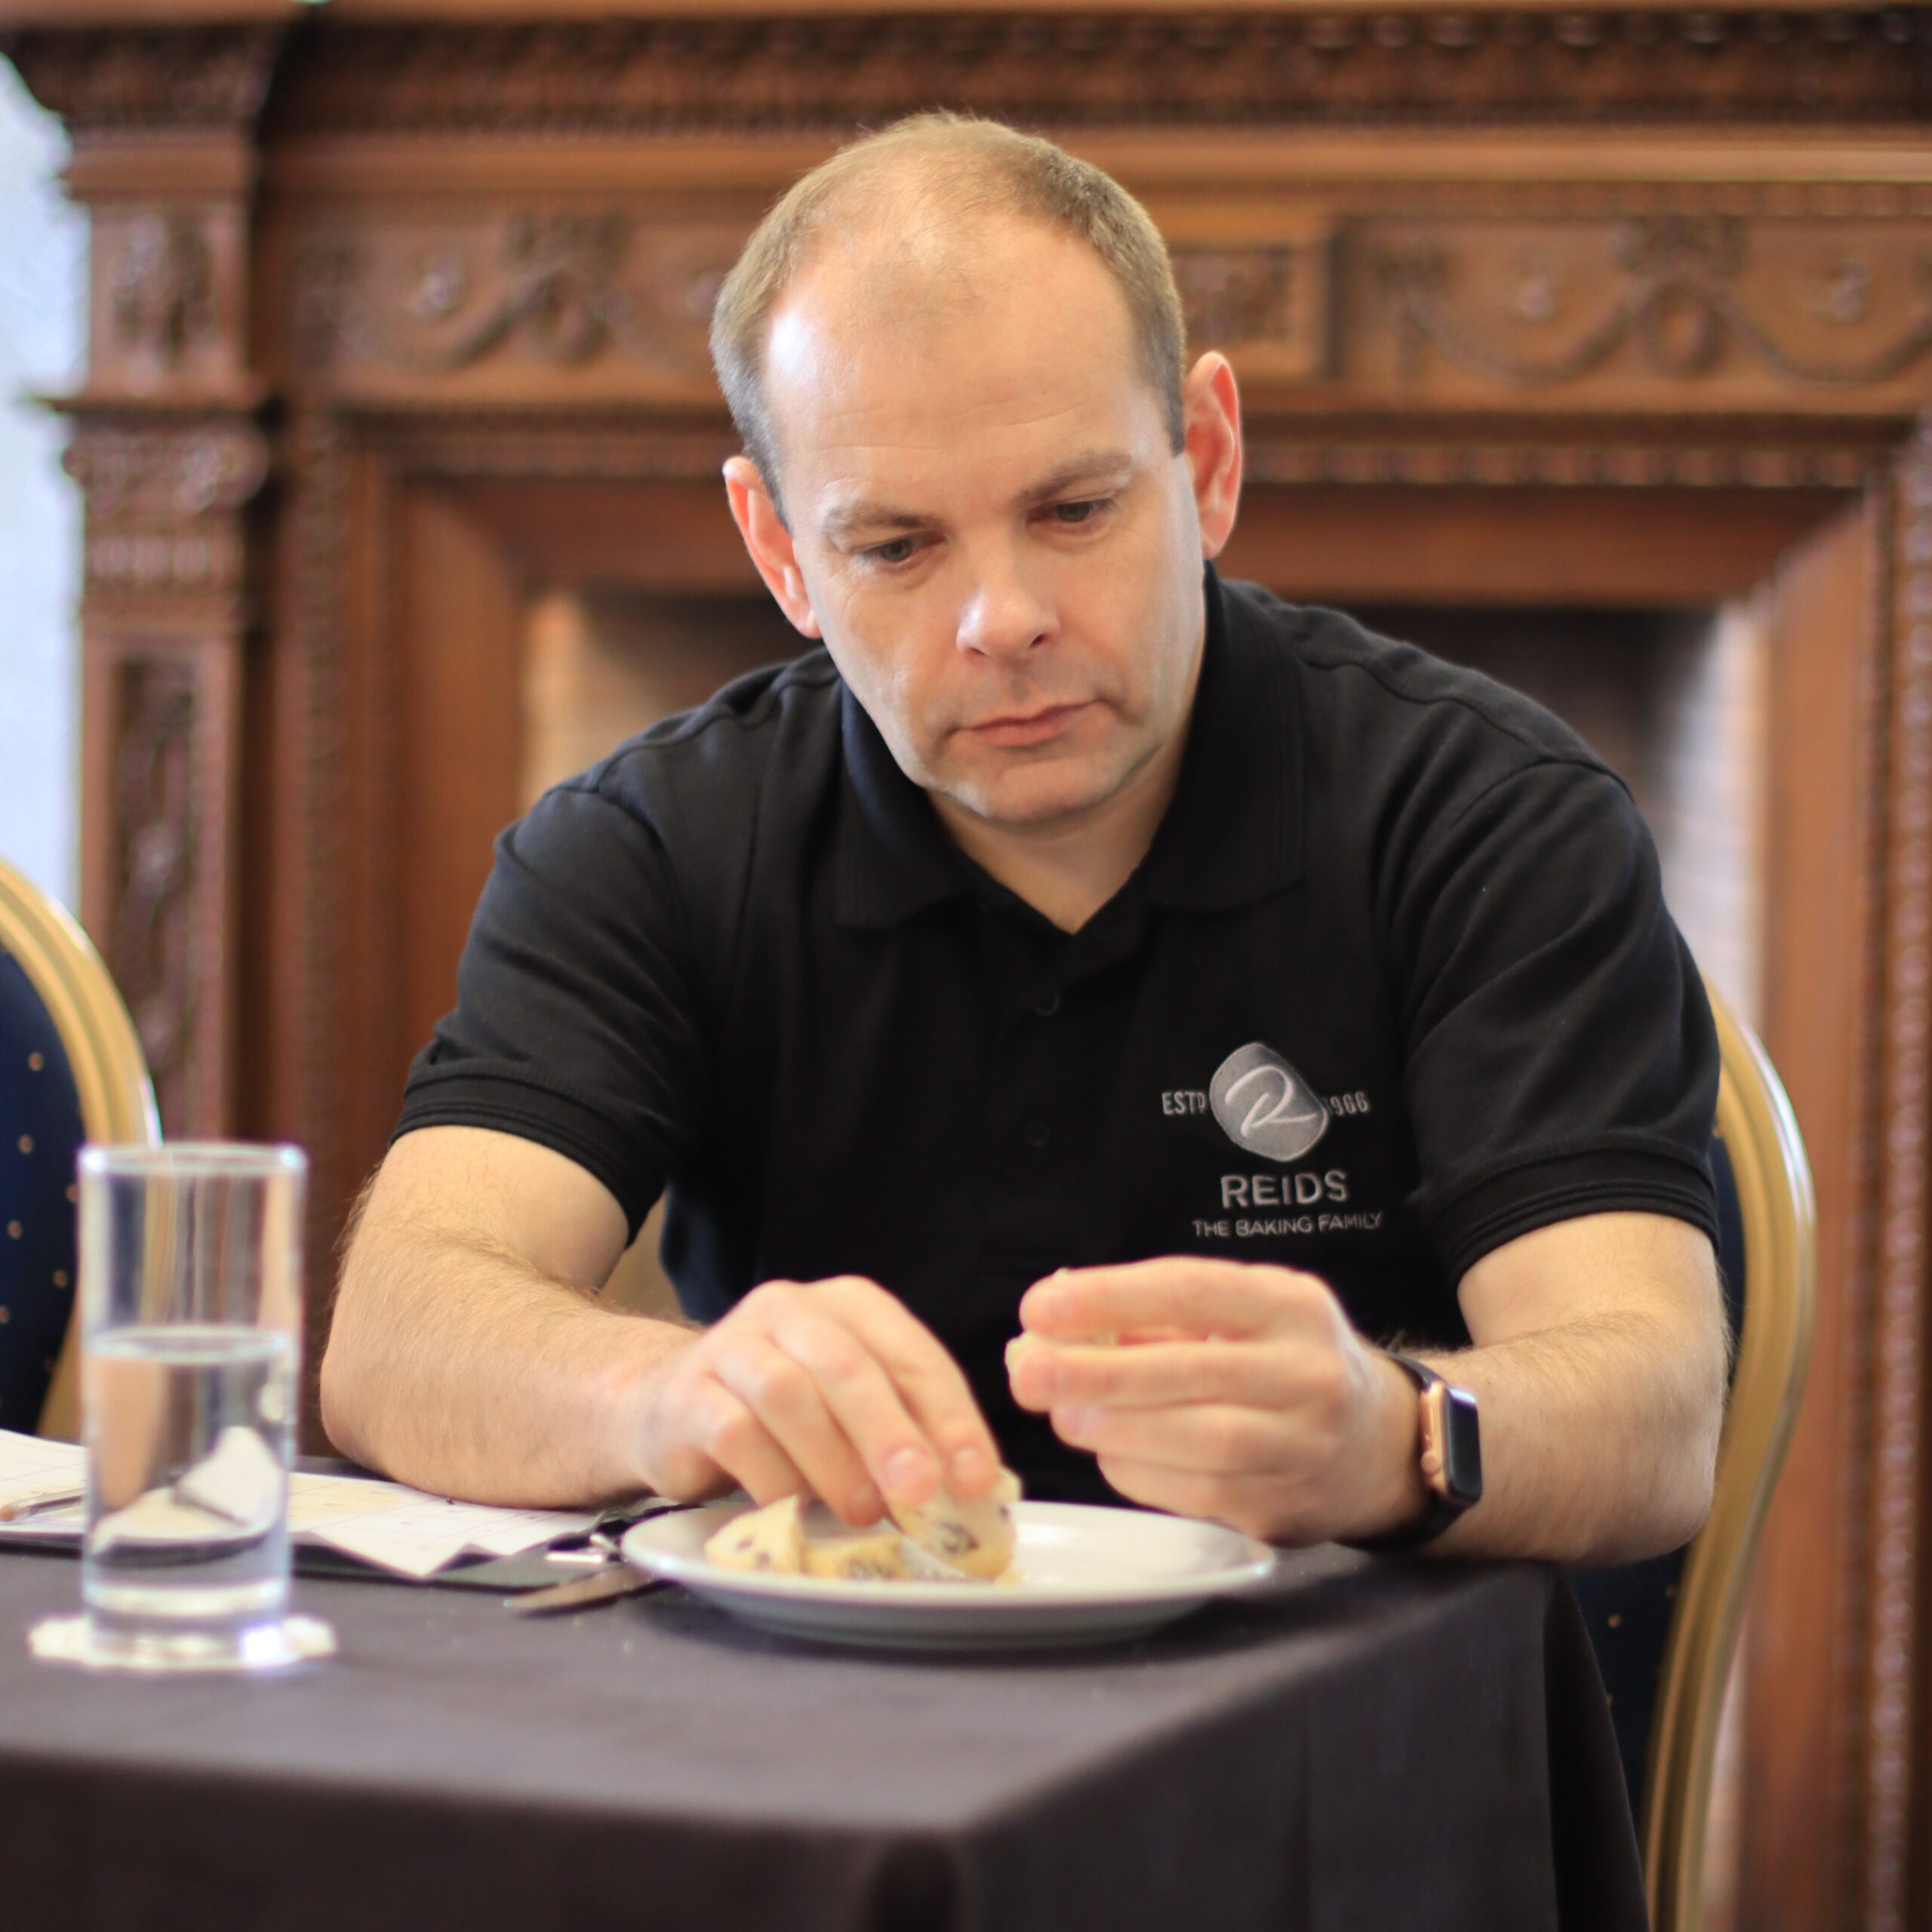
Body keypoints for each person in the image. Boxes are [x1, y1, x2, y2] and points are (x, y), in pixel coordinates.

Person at [321, 113, 1727, 1563]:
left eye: (1073, 509)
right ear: (780, 553)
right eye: (897, 547)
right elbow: (397, 1335)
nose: (1004, 620)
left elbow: (1656, 1414)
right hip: (813, 1734)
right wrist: (666, 1392)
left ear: (1210, 459)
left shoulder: (1490, 821)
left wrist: (1395, 1431)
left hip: (1333, 1747)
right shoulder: (651, 845)